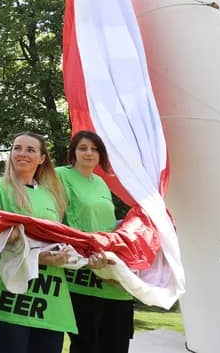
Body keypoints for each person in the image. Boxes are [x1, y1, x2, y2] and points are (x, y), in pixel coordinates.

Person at [0, 131, 76, 353]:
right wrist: (37, 256)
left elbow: (59, 238)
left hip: (49, 297)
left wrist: (63, 254)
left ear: (42, 159)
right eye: (17, 148)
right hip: (13, 297)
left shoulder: (52, 196)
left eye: (30, 149)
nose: (22, 153)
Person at [56, 131, 134, 353]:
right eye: (83, 148)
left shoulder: (100, 182)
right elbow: (58, 220)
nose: (89, 153)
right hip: (84, 275)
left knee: (117, 344)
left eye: (94, 149)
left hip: (112, 276)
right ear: (73, 152)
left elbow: (107, 224)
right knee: (86, 346)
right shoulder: (60, 175)